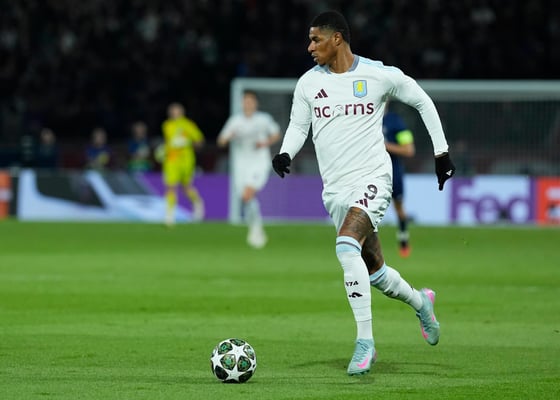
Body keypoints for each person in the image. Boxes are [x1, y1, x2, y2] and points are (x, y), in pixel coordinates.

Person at [271, 10, 456, 376]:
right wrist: (285, 152)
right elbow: (298, 126)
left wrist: (442, 153)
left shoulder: (377, 75)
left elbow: (422, 100)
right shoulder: (308, 83)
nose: (310, 47)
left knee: (345, 247)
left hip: (373, 178)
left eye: (316, 39)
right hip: (335, 190)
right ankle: (421, 303)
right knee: (375, 272)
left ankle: (365, 342)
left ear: (337, 38)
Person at [217, 90, 281, 248]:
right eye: (245, 101)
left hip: (259, 162)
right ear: (242, 103)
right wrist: (228, 137)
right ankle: (256, 227)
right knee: (245, 198)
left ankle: (256, 228)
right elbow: (221, 141)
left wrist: (265, 143)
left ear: (255, 103)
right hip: (240, 165)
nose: (248, 104)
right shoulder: (235, 121)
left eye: (251, 101)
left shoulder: (263, 119)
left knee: (248, 193)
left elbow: (276, 134)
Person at [160, 102, 205, 225]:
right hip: (171, 160)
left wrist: (192, 144)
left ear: (182, 112)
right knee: (171, 186)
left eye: (176, 111)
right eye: (172, 111)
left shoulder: (188, 124)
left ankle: (197, 202)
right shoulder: (166, 125)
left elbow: (199, 139)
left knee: (186, 188)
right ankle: (169, 215)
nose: (174, 113)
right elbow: (168, 141)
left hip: (186, 160)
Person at [383, 104, 415, 257]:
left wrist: (384, 146)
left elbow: (409, 149)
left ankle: (403, 239)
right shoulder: (363, 117)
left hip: (393, 171)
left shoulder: (395, 121)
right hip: (369, 171)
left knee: (399, 207)